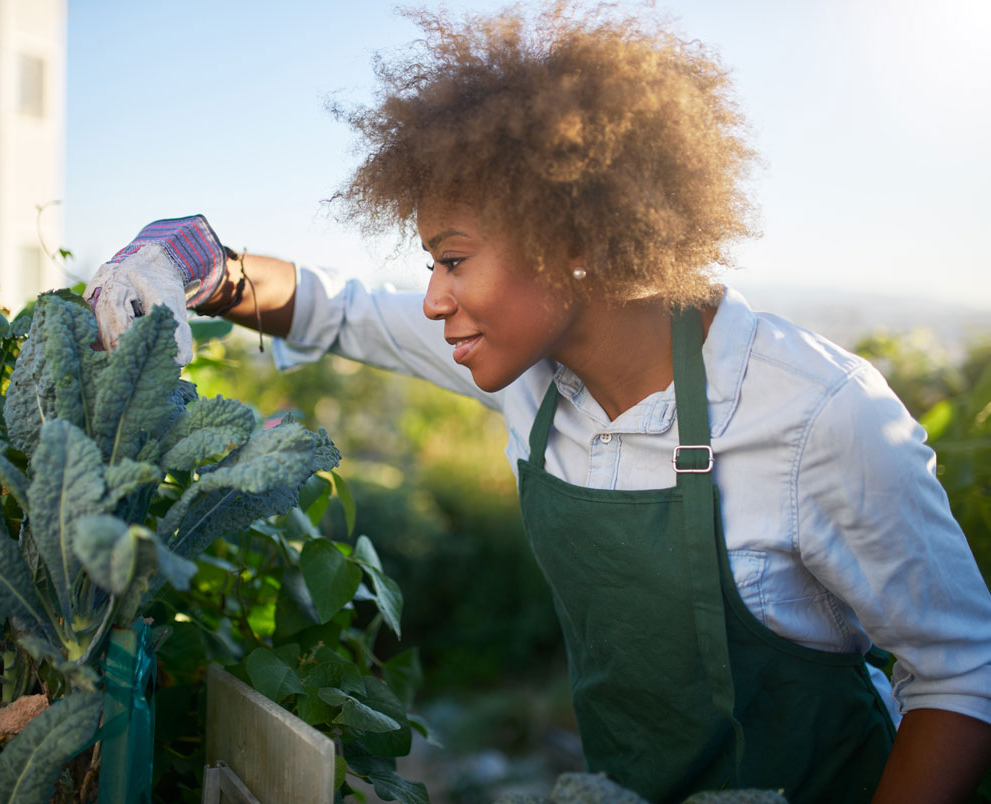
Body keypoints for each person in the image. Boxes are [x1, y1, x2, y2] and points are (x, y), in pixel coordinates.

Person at [85, 5, 991, 802]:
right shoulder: (527, 373)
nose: (433, 299)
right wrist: (211, 266)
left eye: (451, 259)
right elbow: (337, 308)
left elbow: (960, 675)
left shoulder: (818, 414)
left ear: (569, 243)